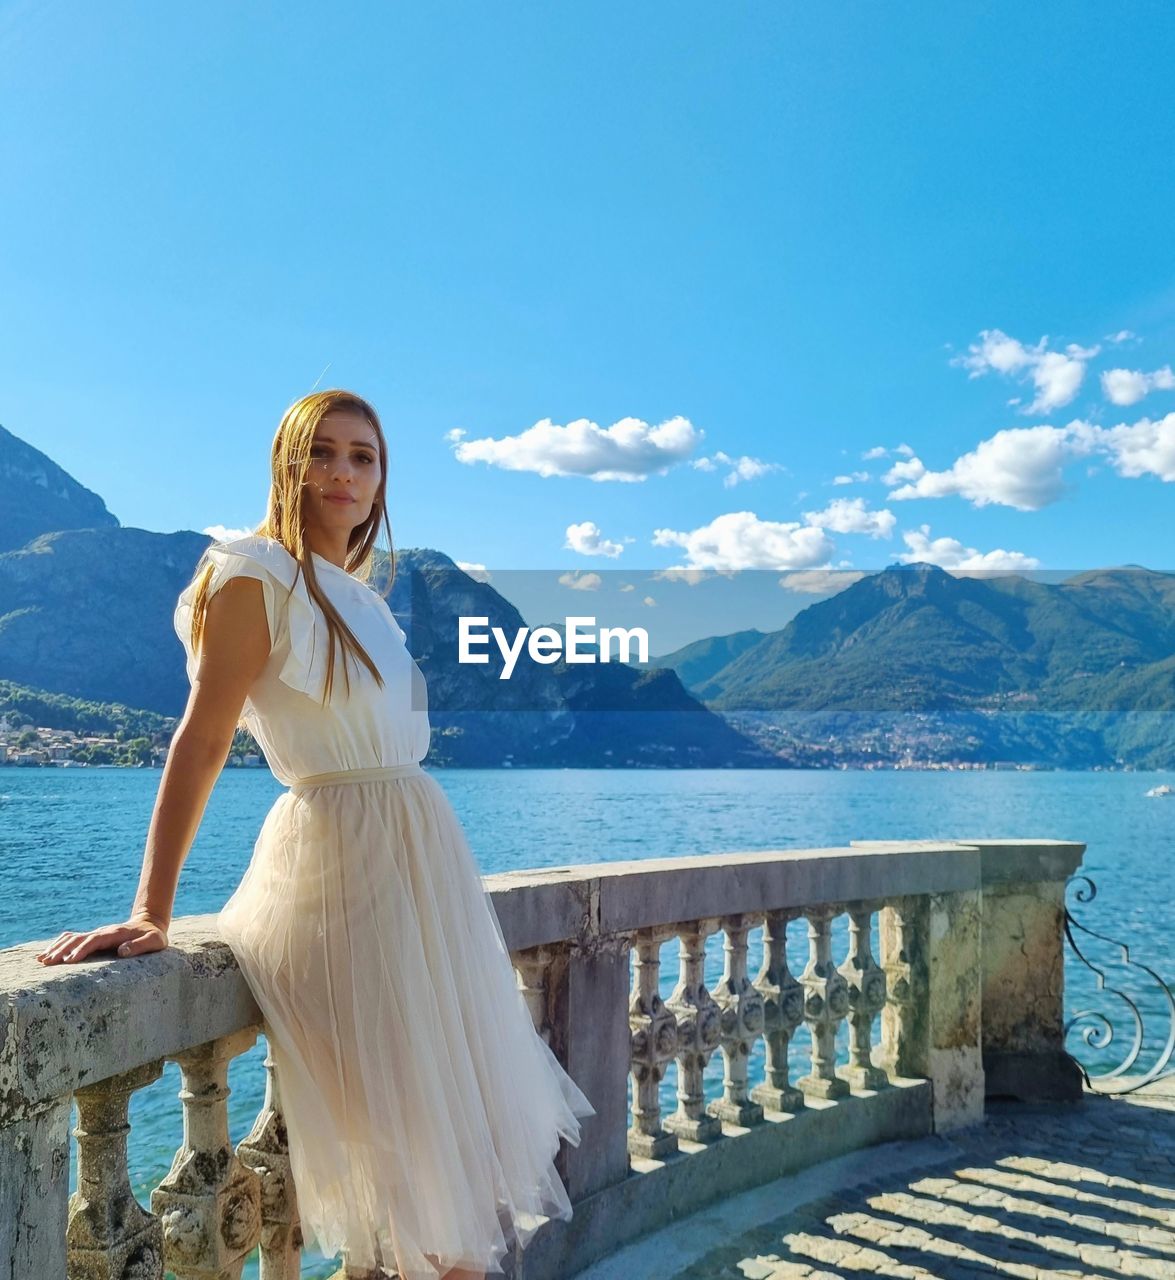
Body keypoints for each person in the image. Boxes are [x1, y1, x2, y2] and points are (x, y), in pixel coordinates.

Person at [36, 389, 597, 1280]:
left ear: (382, 480)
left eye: (363, 457)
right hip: (342, 872)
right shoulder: (255, 572)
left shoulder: (367, 600)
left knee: (445, 1166)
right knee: (425, 1188)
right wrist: (152, 909)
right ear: (286, 466)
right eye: (322, 453)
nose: (343, 472)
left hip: (420, 876)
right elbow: (205, 735)